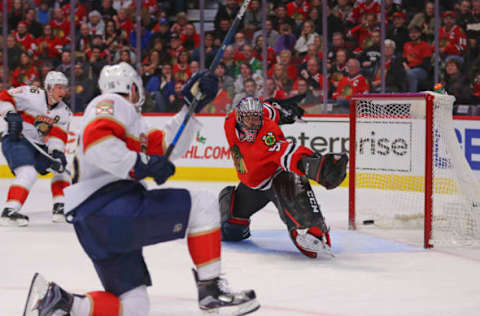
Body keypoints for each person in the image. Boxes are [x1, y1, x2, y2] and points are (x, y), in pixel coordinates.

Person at [24, 62, 260, 316]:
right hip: (110, 207)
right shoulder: (115, 103)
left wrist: (190, 108)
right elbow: (98, 143)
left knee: (134, 307)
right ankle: (212, 293)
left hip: (95, 223)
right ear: (131, 87)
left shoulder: (128, 121)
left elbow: (167, 145)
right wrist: (141, 165)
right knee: (202, 204)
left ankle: (59, 303)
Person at [219, 96, 348, 258]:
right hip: (253, 185)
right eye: (249, 119)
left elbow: (287, 152)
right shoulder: (229, 122)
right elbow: (268, 110)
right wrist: (282, 110)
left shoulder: (268, 134)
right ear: (238, 117)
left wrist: (316, 167)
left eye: (256, 119)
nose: (253, 123)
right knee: (229, 228)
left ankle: (313, 227)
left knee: (305, 231)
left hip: (277, 179)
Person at [0, 71, 71, 226]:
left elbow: (57, 135)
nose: (62, 92)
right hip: (17, 139)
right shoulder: (31, 93)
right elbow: (4, 97)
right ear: (49, 87)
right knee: (28, 172)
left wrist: (57, 152)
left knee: (61, 169)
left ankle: (60, 206)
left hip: (39, 147)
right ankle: (9, 210)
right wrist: (10, 114)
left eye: (64, 88)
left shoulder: (64, 112)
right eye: (59, 87)